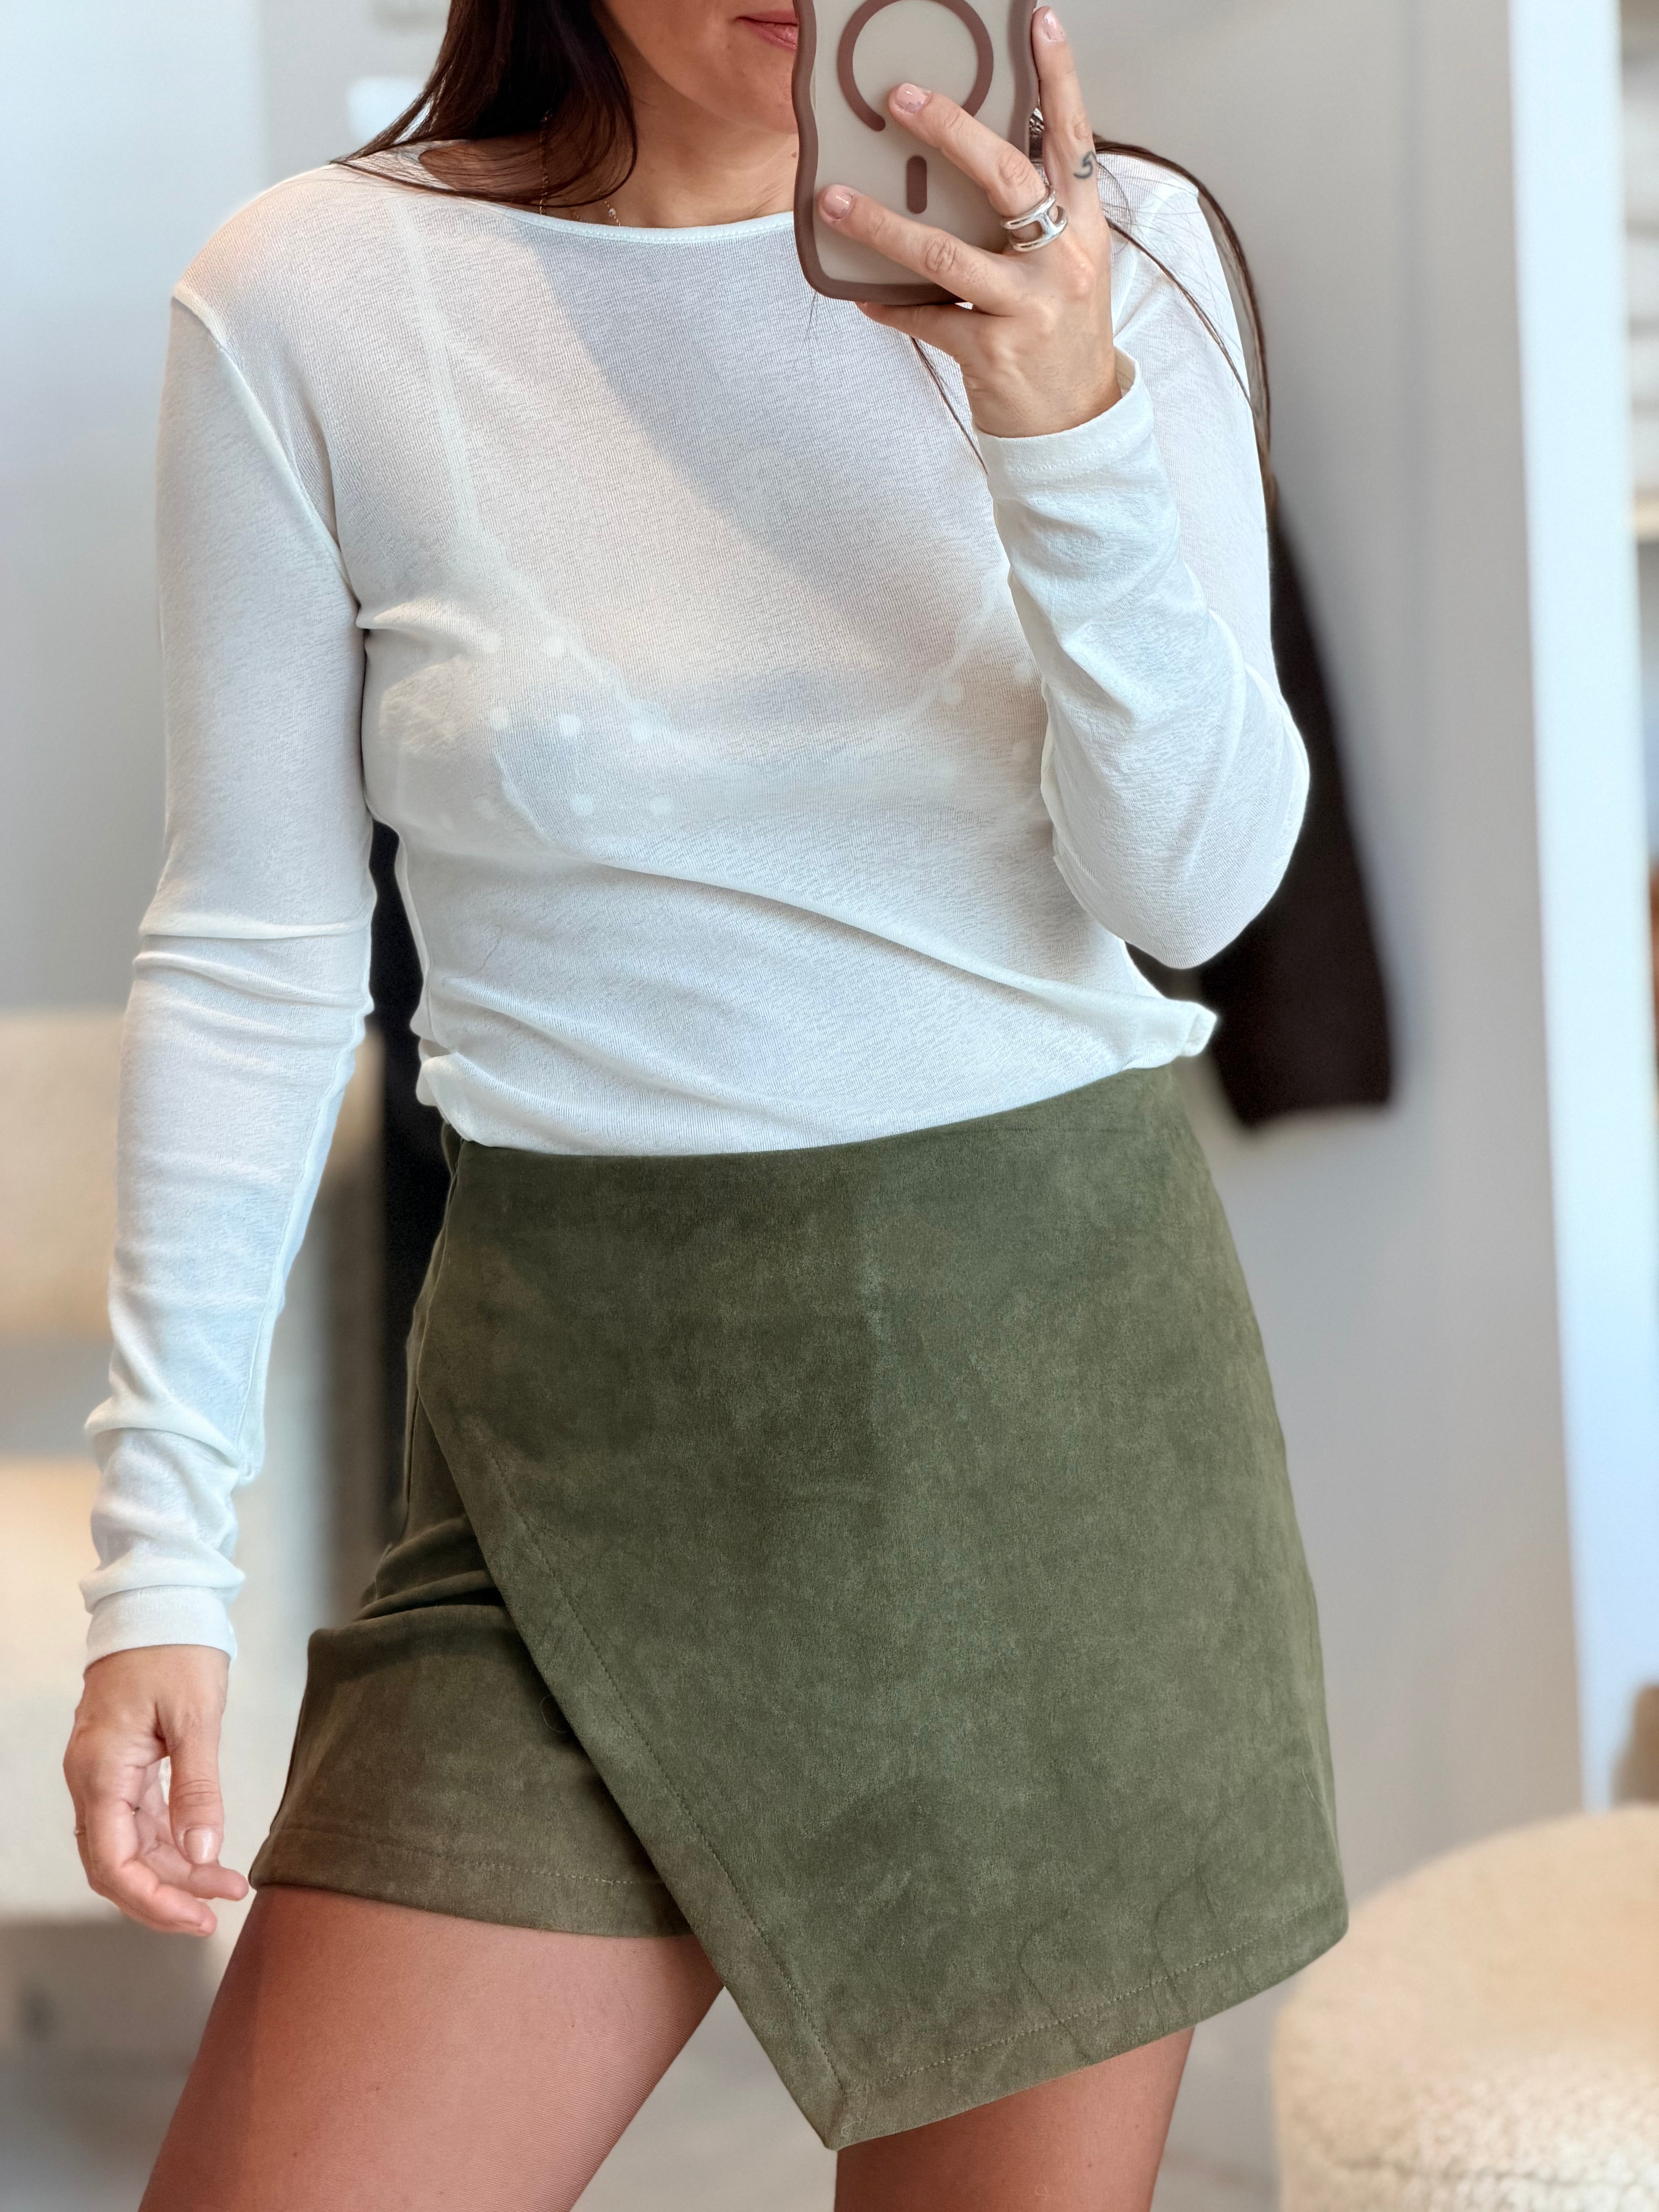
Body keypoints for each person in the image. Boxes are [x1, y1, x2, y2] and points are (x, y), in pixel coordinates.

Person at [63, 3, 1347, 2205]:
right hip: (571, 1457)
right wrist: (158, 1558)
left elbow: (1202, 889)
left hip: (1054, 1437)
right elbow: (255, 953)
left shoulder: (1113, 253)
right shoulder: (314, 296)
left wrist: (1066, 429)